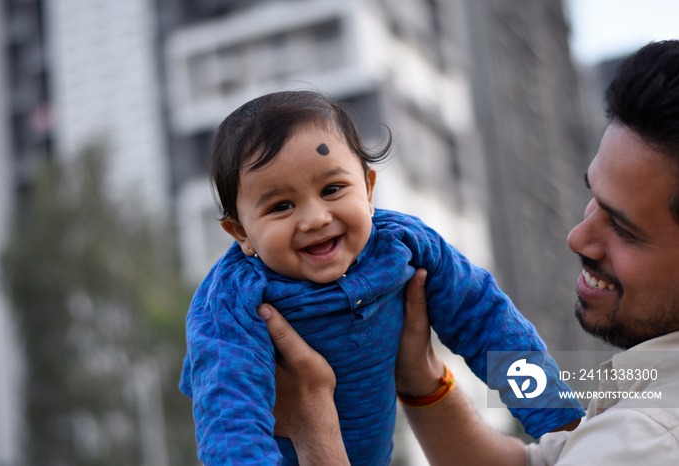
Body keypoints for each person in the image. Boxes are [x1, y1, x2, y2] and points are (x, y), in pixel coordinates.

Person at [260, 40, 679, 465]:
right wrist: (420, 379)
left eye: (624, 229)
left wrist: (313, 430)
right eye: (593, 199)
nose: (578, 238)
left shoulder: (649, 438)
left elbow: (485, 322)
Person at [179, 90, 584, 465]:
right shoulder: (231, 300)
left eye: (333, 188)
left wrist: (562, 422)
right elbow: (230, 412)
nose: (316, 218)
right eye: (281, 206)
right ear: (242, 233)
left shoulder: (404, 244)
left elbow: (489, 324)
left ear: (368, 189)